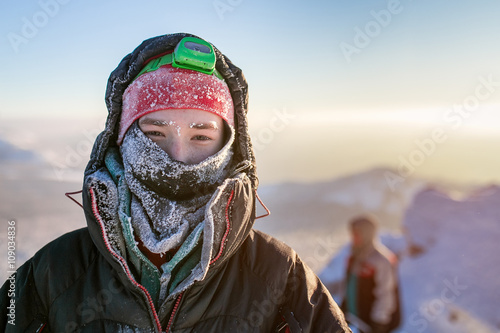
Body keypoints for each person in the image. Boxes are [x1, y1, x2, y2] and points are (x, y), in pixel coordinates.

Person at [0, 33, 351, 332]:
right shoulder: (53, 275)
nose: (177, 157)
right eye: (154, 133)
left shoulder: (280, 278)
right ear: (121, 141)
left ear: (230, 147)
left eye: (201, 137)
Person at [342, 215, 401, 333]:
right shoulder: (354, 258)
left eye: (357, 233)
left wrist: (379, 323)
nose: (353, 237)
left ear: (367, 234)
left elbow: (385, 293)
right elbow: (350, 286)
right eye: (352, 233)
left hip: (372, 324)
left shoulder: (381, 260)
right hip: (354, 320)